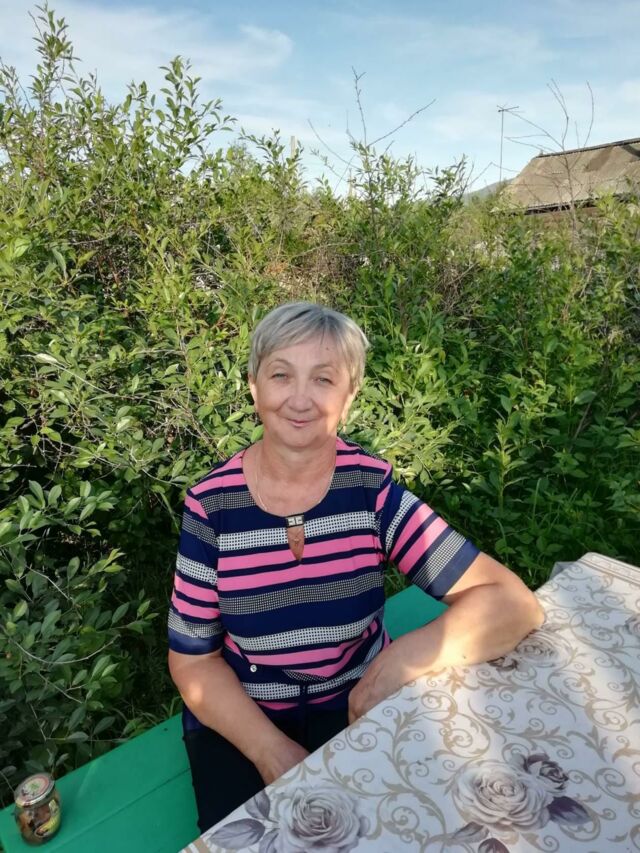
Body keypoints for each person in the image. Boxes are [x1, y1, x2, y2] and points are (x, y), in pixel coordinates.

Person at [167, 302, 544, 832]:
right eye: (281, 375)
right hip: (243, 717)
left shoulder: (370, 491)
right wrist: (273, 752)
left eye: (323, 379)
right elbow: (194, 663)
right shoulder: (212, 506)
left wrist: (393, 668)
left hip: (357, 704)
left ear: (349, 397)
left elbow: (512, 604)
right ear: (254, 386)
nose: (300, 398)